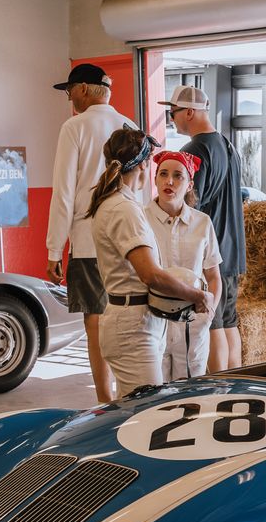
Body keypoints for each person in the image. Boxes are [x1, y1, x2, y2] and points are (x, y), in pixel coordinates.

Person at [86, 127, 213, 395]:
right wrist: (196, 295)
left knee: (137, 410)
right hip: (133, 327)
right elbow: (151, 275)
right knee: (146, 414)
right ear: (145, 166)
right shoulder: (125, 209)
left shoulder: (118, 203)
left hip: (139, 321)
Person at [48, 62, 136, 404]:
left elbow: (63, 192)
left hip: (87, 241)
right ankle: (131, 391)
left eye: (69, 90)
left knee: (96, 321)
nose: (69, 97)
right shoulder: (131, 126)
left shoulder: (74, 127)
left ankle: (104, 400)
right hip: (130, 240)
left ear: (83, 89)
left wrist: (54, 250)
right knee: (128, 314)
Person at [164, 85, 246, 372]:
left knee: (213, 325)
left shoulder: (194, 150)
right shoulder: (227, 145)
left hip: (211, 253)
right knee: (229, 322)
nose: (170, 118)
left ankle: (219, 389)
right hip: (232, 249)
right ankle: (235, 384)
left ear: (189, 112)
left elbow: (187, 206)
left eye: (172, 112)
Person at [147, 148, 223, 380]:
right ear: (155, 178)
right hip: (153, 322)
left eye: (178, 176)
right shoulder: (141, 219)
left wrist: (208, 314)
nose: (169, 181)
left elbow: (213, 275)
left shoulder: (202, 222)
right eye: (163, 174)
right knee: (154, 393)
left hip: (192, 323)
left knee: (190, 394)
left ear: (189, 184)